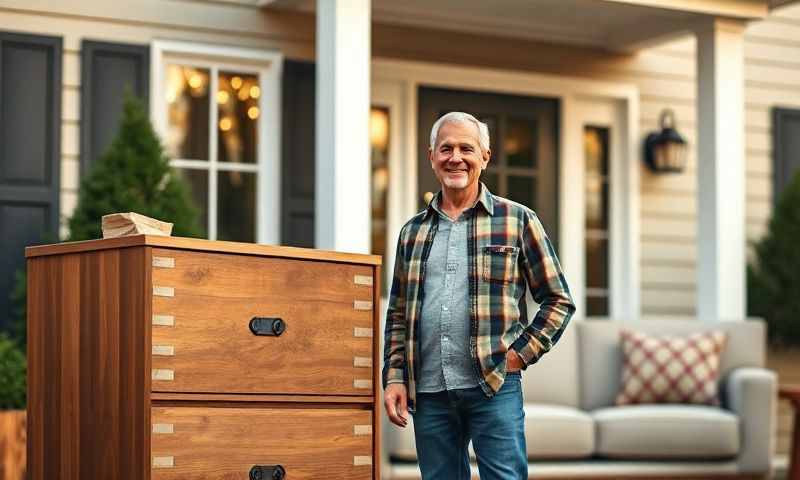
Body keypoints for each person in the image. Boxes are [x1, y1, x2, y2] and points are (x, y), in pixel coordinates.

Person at [382, 111, 576, 479]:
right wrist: (394, 377)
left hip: (494, 384)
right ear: (432, 157)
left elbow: (558, 299)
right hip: (430, 392)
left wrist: (519, 355)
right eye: (446, 148)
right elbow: (398, 312)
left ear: (485, 157)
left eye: (466, 149)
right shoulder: (412, 233)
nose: (456, 157)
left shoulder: (518, 221)